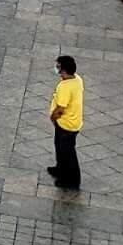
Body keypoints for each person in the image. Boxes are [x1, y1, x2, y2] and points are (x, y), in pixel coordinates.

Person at [47, 55, 83, 190]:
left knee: (68, 153)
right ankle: (60, 168)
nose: (56, 69)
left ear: (64, 71)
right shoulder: (77, 79)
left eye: (58, 67)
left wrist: (53, 117)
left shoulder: (65, 87)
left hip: (66, 125)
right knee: (60, 148)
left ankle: (71, 180)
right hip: (73, 122)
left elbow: (61, 108)